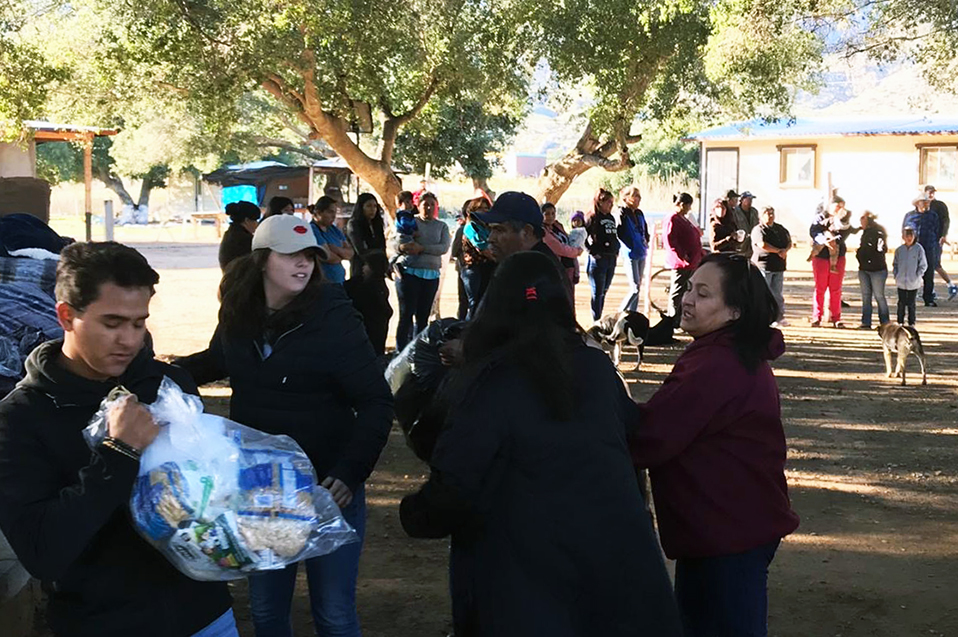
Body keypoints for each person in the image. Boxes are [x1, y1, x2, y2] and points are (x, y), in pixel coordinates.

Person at [400, 251, 683, 637]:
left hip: (526, 583)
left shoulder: (487, 383)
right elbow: (634, 442)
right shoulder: (597, 370)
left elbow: (456, 483)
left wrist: (416, 513)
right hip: (616, 569)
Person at [0, 242, 235, 636]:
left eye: (139, 323)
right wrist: (118, 452)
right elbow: (43, 555)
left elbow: (210, 490)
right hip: (105, 625)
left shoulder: (168, 387)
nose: (130, 340)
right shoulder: (19, 420)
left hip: (207, 619)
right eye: (112, 323)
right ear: (67, 316)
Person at [175, 215, 393, 637]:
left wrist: (350, 472)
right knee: (267, 611)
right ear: (261, 260)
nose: (304, 264)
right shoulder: (239, 311)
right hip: (261, 490)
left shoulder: (335, 318)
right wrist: (162, 375)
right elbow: (219, 359)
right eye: (290, 255)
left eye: (310, 255)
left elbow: (376, 401)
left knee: (333, 613)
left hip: (327, 488)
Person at [629, 252, 800, 637]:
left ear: (735, 311)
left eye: (703, 294)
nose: (687, 300)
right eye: (689, 288)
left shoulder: (718, 364)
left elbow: (652, 436)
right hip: (721, 529)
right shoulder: (724, 353)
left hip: (729, 532)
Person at [391, 192, 451, 349]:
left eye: (432, 204)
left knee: (423, 317)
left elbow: (443, 248)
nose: (429, 208)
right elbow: (395, 242)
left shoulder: (442, 226)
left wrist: (422, 248)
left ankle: (417, 350)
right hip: (409, 274)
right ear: (418, 205)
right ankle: (400, 350)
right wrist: (402, 247)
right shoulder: (409, 221)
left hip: (431, 276)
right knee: (406, 315)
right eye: (425, 204)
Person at [809, 197, 853, 327]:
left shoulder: (844, 219)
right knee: (820, 287)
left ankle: (836, 317)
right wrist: (824, 239)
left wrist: (834, 237)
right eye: (837, 206)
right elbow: (813, 230)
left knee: (836, 288)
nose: (839, 209)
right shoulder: (819, 217)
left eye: (841, 206)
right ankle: (817, 316)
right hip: (821, 256)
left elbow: (845, 232)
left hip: (838, 256)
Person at [663, 192, 705, 327]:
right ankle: (672, 319)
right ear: (681, 205)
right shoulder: (672, 219)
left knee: (685, 290)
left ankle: (679, 318)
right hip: (681, 263)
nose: (689, 209)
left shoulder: (683, 218)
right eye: (688, 205)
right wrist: (682, 256)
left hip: (691, 262)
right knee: (677, 291)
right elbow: (671, 241)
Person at [344, 249, 393, 358]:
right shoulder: (378, 286)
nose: (363, 268)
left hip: (368, 334)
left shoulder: (368, 289)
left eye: (366, 265)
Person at [751, 206, 792, 326]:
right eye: (767, 213)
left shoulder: (780, 229)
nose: (770, 216)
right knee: (764, 293)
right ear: (761, 216)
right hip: (764, 265)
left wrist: (785, 250)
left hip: (778, 266)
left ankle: (779, 316)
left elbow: (789, 241)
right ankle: (764, 317)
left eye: (772, 213)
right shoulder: (758, 230)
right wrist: (778, 251)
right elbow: (762, 244)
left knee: (777, 294)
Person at [584, 188, 620, 320]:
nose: (611, 205)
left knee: (604, 291)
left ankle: (599, 317)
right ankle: (596, 320)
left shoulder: (611, 217)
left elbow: (613, 235)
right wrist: (592, 252)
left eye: (612, 202)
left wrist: (616, 250)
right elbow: (582, 237)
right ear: (600, 202)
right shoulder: (592, 217)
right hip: (598, 260)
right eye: (608, 202)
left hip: (611, 258)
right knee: (597, 292)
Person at [459, 197, 496, 319]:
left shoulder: (487, 227)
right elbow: (482, 247)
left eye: (487, 208)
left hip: (488, 267)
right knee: (475, 303)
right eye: (481, 209)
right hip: (473, 268)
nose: (485, 211)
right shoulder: (471, 227)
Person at [903, 194, 942, 307]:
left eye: (928, 202)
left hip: (929, 247)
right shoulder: (910, 216)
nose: (926, 204)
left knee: (929, 273)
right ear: (917, 203)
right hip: (913, 248)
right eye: (924, 202)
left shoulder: (933, 215)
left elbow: (937, 229)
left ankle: (928, 298)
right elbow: (904, 231)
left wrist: (934, 242)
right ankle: (908, 298)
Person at [616, 185, 650, 312]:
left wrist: (647, 239)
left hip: (641, 252)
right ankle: (620, 313)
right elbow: (619, 232)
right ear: (626, 198)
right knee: (635, 288)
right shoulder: (622, 212)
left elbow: (645, 229)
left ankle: (632, 314)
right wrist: (629, 244)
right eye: (635, 196)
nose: (638, 199)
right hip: (630, 253)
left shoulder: (640, 213)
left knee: (638, 287)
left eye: (639, 196)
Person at [856, 211, 890, 329]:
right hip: (864, 268)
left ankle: (885, 321)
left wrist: (866, 256)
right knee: (866, 295)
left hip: (877, 269)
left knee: (879, 295)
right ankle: (866, 321)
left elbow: (881, 249)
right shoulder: (865, 233)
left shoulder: (878, 233)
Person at [310, 195, 354, 284]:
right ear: (319, 213)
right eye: (330, 212)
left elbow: (350, 253)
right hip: (323, 283)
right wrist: (341, 255)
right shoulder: (312, 229)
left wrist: (336, 249)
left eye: (335, 212)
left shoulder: (334, 229)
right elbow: (327, 256)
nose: (333, 216)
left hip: (339, 281)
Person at [541, 201, 583, 291]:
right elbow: (560, 249)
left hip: (569, 268)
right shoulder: (543, 231)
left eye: (553, 213)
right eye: (547, 214)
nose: (551, 216)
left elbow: (567, 241)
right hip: (557, 269)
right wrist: (576, 251)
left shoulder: (557, 225)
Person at [925, 184, 957, 299]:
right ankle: (929, 290)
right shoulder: (923, 206)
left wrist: (943, 235)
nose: (931, 194)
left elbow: (945, 221)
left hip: (936, 239)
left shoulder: (939, 205)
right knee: (925, 265)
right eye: (929, 192)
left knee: (935, 264)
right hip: (925, 239)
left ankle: (951, 285)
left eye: (932, 192)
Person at [346, 193, 387, 279]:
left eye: (375, 206)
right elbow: (360, 250)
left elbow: (382, 246)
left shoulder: (377, 224)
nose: (373, 209)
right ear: (361, 207)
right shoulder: (354, 224)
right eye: (369, 206)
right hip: (361, 269)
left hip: (378, 268)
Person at [893, 226, 927, 326]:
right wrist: (896, 275)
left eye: (911, 236)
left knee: (911, 304)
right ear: (903, 237)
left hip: (913, 282)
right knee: (901, 303)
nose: (909, 238)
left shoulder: (918, 249)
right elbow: (895, 264)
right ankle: (900, 322)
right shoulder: (899, 250)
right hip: (901, 282)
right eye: (906, 236)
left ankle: (911, 323)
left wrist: (918, 275)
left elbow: (923, 265)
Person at [219, 201, 260, 270]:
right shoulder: (244, 239)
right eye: (255, 220)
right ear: (247, 220)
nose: (257, 224)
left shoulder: (231, 233)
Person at [732, 191, 760, 258]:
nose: (750, 201)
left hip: (752, 244)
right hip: (740, 244)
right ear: (742, 200)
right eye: (748, 199)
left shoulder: (754, 212)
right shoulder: (735, 212)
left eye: (751, 200)